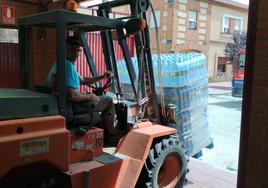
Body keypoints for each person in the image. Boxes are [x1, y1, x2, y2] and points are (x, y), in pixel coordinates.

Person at [46, 36, 119, 141]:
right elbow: (72, 95)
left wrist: (102, 76)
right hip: (73, 107)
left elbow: (84, 80)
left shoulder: (61, 64)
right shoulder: (67, 67)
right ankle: (113, 135)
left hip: (66, 105)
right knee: (108, 100)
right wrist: (90, 96)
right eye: (72, 49)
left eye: (78, 50)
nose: (76, 53)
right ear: (64, 49)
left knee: (99, 99)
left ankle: (104, 130)